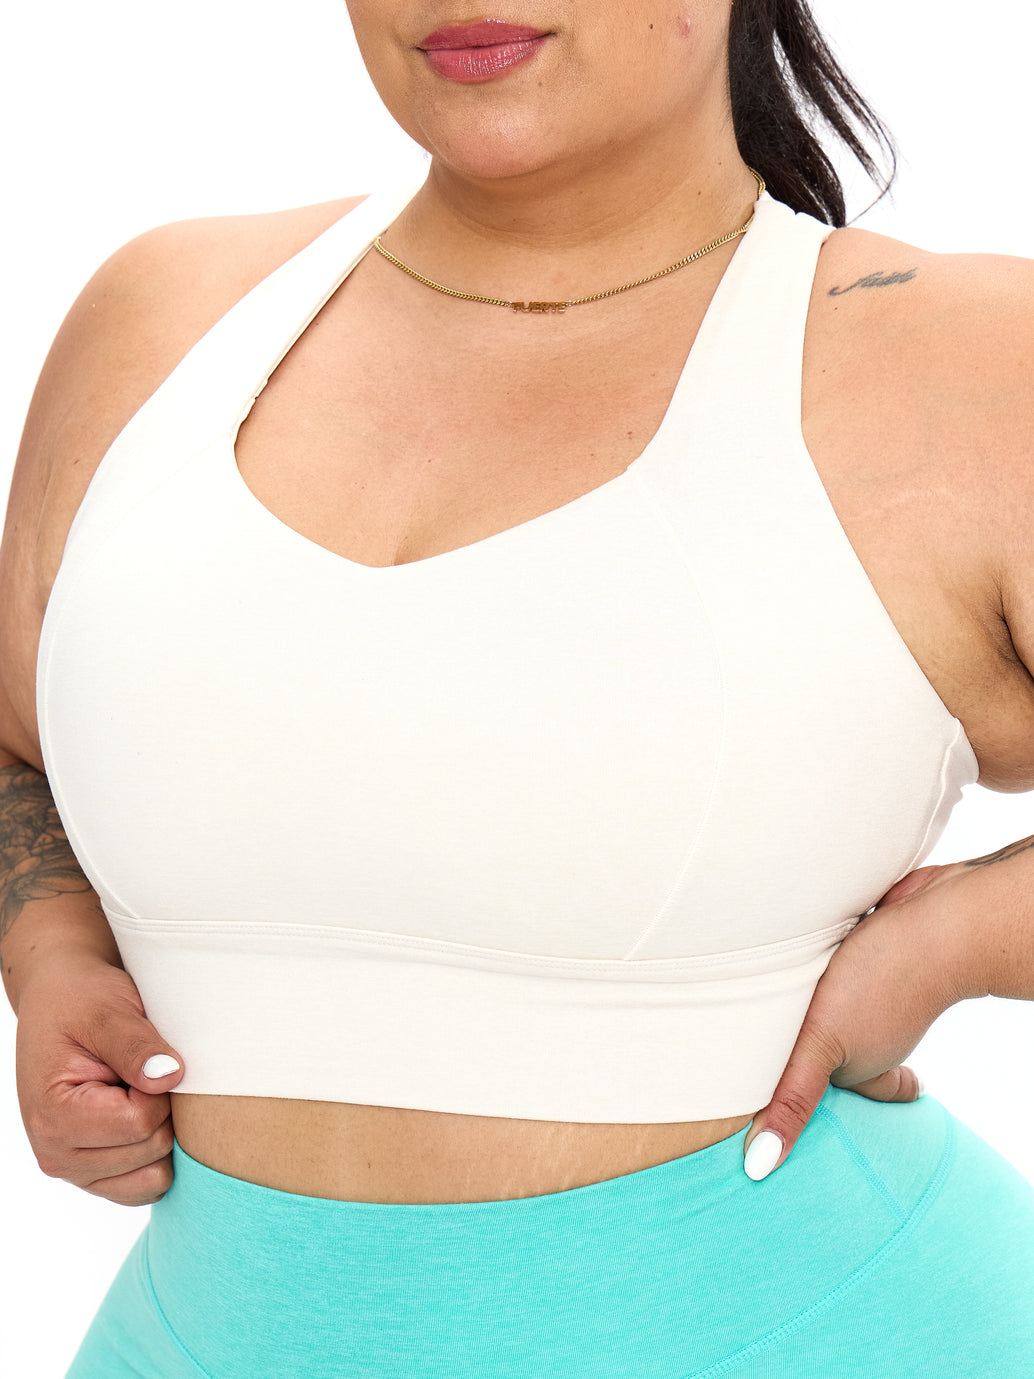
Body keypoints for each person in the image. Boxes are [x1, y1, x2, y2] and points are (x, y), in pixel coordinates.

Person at [3, 0, 1034, 1374]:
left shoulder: (969, 363)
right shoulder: (164, 323)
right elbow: (21, 740)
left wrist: (950, 942)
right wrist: (49, 951)